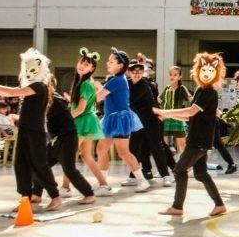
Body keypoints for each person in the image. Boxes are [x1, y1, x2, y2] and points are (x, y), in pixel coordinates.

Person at [0, 50, 62, 212]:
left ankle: (55, 196)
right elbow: (14, 93)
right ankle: (25, 198)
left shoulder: (39, 86)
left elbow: (10, 92)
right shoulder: (32, 87)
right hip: (25, 129)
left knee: (39, 164)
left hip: (35, 131)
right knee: (21, 164)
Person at [154, 52, 228, 218]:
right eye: (203, 69)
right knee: (200, 173)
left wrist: (165, 112)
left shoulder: (209, 92)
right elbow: (189, 115)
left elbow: (190, 110)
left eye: (210, 70)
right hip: (198, 138)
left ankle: (177, 206)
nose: (207, 73)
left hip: (199, 140)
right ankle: (219, 204)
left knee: (180, 170)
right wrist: (167, 114)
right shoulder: (201, 90)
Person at [32, 76, 95, 205]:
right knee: (39, 165)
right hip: (55, 140)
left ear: (50, 87)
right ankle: (36, 193)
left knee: (69, 170)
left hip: (67, 139)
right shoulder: (46, 100)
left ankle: (89, 194)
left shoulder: (56, 101)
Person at [93, 48, 149, 193]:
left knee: (123, 152)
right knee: (101, 149)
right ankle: (103, 183)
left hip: (119, 119)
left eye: (111, 61)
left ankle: (141, 180)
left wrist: (95, 88)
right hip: (111, 118)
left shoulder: (116, 80)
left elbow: (98, 97)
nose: (108, 63)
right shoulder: (116, 80)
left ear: (120, 65)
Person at [68, 48, 111, 194]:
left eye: (87, 64)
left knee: (69, 155)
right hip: (87, 121)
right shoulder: (83, 82)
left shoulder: (85, 84)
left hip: (82, 122)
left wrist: (66, 119)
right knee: (86, 155)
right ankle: (104, 185)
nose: (82, 65)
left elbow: (80, 108)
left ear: (92, 68)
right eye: (81, 62)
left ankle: (65, 187)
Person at [127, 59, 171, 187]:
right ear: (129, 72)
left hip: (151, 121)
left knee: (156, 147)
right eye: (134, 71)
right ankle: (133, 175)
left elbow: (134, 103)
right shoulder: (127, 84)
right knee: (134, 148)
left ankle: (166, 175)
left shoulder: (146, 85)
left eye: (139, 71)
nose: (136, 73)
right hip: (136, 122)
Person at [160, 65, 192, 155]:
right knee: (163, 142)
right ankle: (165, 164)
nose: (172, 76)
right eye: (170, 74)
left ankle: (186, 165)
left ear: (180, 76)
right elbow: (158, 99)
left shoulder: (182, 88)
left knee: (181, 143)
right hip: (165, 117)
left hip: (177, 117)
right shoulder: (166, 88)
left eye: (175, 74)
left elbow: (191, 100)